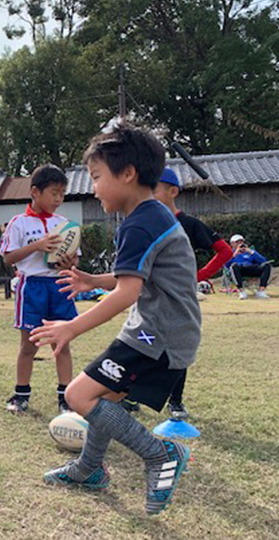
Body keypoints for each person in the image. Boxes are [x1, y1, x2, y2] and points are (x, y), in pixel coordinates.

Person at [32, 122, 197, 516]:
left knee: (78, 394)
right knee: (102, 396)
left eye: (96, 177)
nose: (92, 187)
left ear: (128, 174)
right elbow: (133, 277)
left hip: (156, 334)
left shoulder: (141, 221)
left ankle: (160, 455)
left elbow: (128, 292)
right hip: (162, 331)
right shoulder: (148, 215)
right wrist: (92, 279)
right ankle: (89, 470)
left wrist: (71, 327)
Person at [152, 167, 234, 419]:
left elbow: (225, 251)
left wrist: (198, 276)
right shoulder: (148, 224)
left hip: (180, 299)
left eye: (154, 189)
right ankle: (129, 397)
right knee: (143, 345)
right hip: (151, 297)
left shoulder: (189, 224)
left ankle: (175, 402)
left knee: (177, 349)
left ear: (172, 191)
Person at [0, 164, 78, 414]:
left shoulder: (64, 223)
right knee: (29, 344)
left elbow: (74, 258)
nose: (58, 199)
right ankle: (21, 394)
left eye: (62, 194)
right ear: (35, 191)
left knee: (62, 343)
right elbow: (8, 259)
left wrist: (69, 263)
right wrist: (38, 245)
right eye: (54, 193)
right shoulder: (19, 223)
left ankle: (66, 397)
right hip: (31, 287)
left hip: (59, 285)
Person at [226, 234, 272, 299]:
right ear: (232, 244)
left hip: (251, 268)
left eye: (241, 242)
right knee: (234, 266)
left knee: (267, 266)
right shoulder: (230, 253)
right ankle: (241, 292)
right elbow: (226, 265)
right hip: (239, 270)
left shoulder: (250, 251)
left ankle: (261, 291)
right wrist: (235, 254)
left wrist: (251, 252)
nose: (240, 244)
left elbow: (263, 261)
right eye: (237, 242)